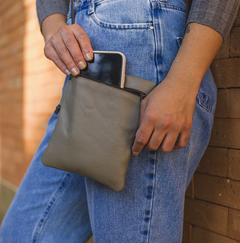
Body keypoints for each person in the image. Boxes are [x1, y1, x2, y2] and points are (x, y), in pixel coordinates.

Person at [1, 0, 239, 242]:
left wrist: (183, 82)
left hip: (149, 63)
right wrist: (53, 25)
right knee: (19, 234)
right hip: (85, 83)